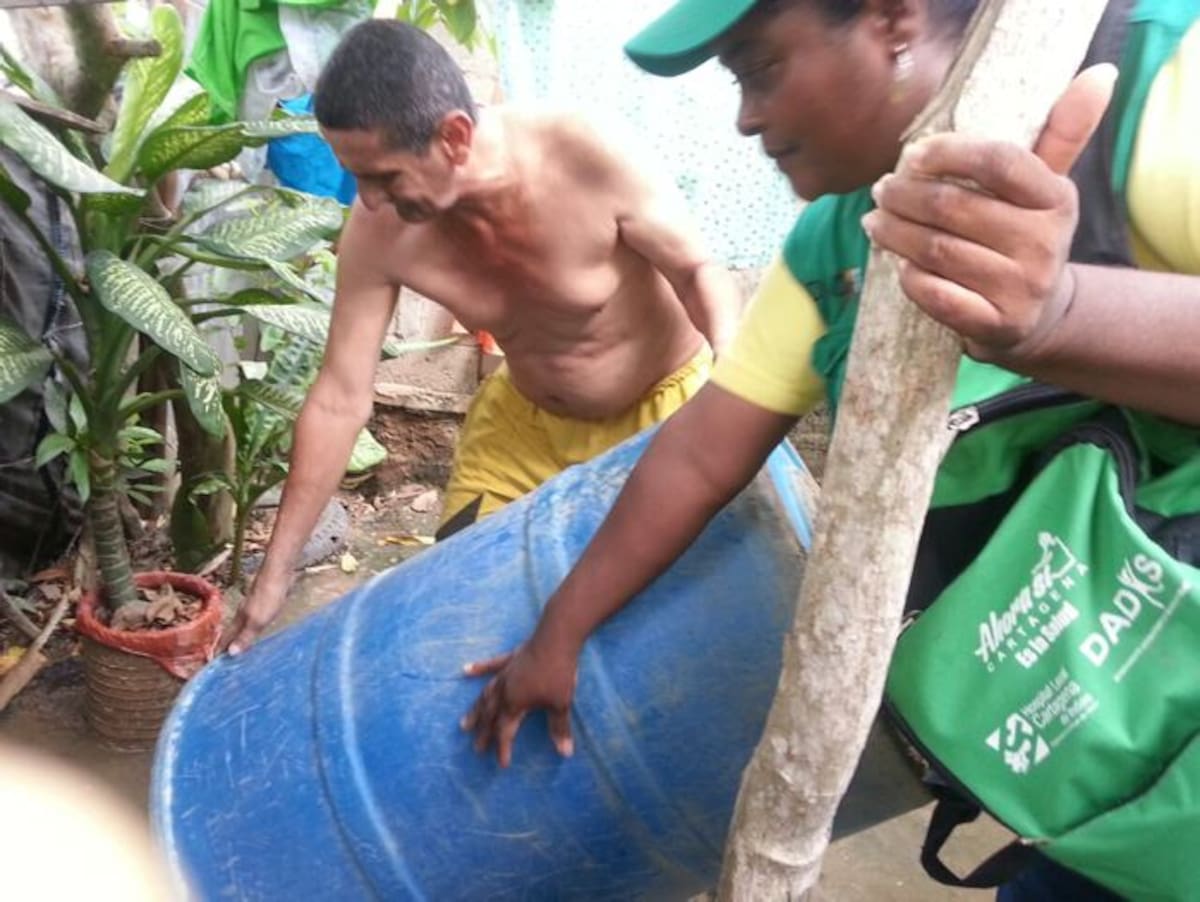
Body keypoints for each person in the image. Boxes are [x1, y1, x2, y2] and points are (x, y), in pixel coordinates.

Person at [462, 0, 1200, 896]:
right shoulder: (839, 241)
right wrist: (560, 633)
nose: (745, 117)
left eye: (761, 68)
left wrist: (1060, 318)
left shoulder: (1162, 93)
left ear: (893, 18)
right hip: (1107, 762)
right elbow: (700, 455)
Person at [220, 19, 744, 654]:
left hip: (658, 420)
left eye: (384, 176)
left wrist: (730, 394)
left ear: (455, 136)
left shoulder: (583, 153)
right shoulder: (377, 232)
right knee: (463, 620)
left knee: (630, 639)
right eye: (357, 177)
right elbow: (339, 396)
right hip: (520, 430)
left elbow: (696, 270)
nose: (372, 200)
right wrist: (276, 573)